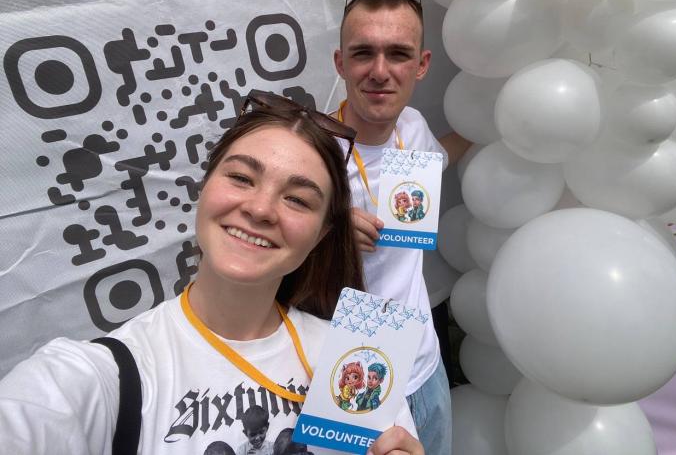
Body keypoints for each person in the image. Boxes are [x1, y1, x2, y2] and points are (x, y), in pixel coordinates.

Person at [0, 90, 424, 455]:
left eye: (297, 199)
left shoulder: (354, 358)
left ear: (321, 234)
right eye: (241, 177)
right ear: (204, 187)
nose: (260, 209)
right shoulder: (106, 375)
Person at [332, 0, 472, 455]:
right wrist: (324, 228)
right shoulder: (309, 153)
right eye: (363, 53)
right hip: (352, 376)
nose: (380, 71)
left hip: (426, 367)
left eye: (398, 54)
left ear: (421, 64)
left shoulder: (412, 127)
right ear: (340, 63)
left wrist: (492, 125)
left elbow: (438, 159)